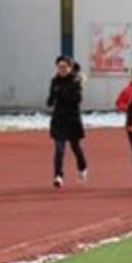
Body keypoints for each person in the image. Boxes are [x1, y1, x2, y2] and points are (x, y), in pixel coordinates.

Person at [46, 56, 88, 188]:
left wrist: (62, 93)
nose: (62, 69)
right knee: (59, 149)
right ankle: (58, 176)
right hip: (59, 118)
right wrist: (52, 97)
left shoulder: (75, 81)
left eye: (64, 67)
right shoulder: (55, 81)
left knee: (75, 147)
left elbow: (77, 100)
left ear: (70, 68)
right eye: (60, 67)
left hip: (72, 119)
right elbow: (50, 101)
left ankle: (82, 167)